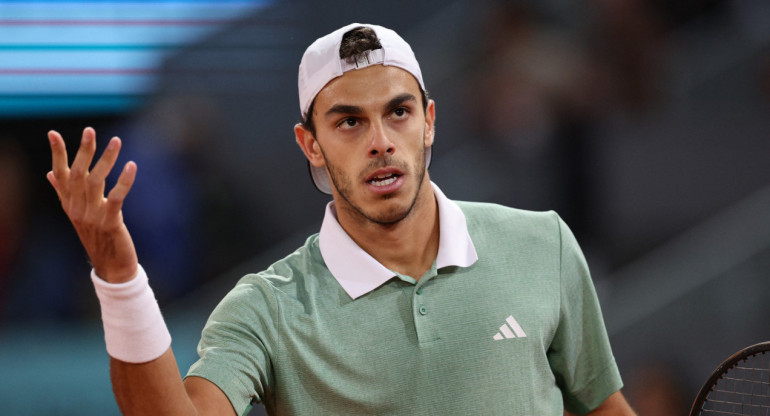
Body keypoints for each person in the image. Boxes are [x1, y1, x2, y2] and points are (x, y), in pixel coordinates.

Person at [46, 23, 635, 415]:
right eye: (349, 121)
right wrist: (119, 277)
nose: (380, 141)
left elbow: (605, 407)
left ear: (429, 121)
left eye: (398, 112)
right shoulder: (266, 308)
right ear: (311, 145)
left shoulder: (544, 244)